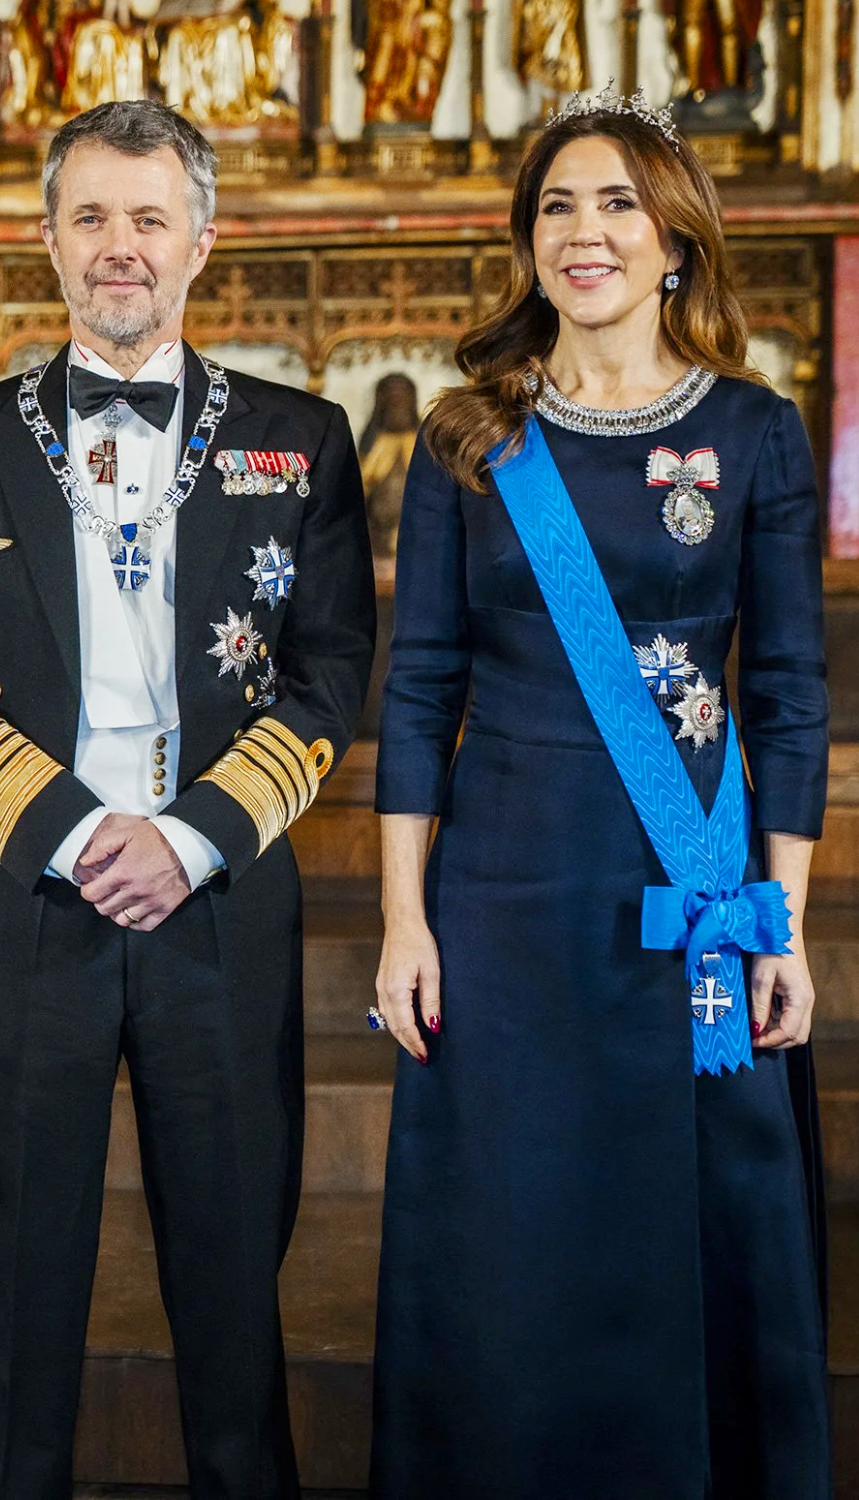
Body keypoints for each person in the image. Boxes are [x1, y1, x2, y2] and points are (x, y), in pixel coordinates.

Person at [0, 99, 375, 1500]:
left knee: (232, 1281)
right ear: (45, 239)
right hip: (31, 898)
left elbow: (331, 674)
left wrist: (193, 841)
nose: (119, 247)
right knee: (20, 1282)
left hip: (218, 903)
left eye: (148, 217)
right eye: (89, 215)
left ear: (201, 243)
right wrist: (86, 836)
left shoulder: (306, 437)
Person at [369, 83, 829, 1500]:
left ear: (675, 240)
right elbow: (419, 685)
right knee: (516, 1234)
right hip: (502, 894)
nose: (586, 231)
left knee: (684, 1235)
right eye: (557, 205)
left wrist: (786, 923)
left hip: (690, 894)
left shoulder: (756, 434)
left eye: (619, 202)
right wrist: (403, 919)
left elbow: (792, 690)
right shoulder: (469, 439)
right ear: (527, 242)